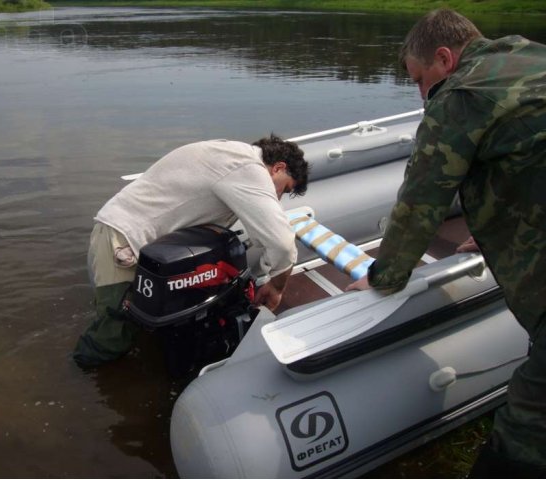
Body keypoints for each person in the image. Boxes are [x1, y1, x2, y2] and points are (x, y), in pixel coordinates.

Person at [346, 9, 546, 478]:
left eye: (420, 80)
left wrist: (383, 278)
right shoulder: (531, 58)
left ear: (444, 58)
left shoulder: (461, 96)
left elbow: (420, 204)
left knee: (527, 427)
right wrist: (503, 223)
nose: (421, 95)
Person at [74, 135, 309, 368]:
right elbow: (281, 242)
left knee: (139, 320)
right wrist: (276, 287)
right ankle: (79, 377)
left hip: (128, 237)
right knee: (112, 334)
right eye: (284, 189)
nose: (278, 197)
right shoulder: (247, 169)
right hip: (124, 242)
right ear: (278, 167)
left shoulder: (231, 152)